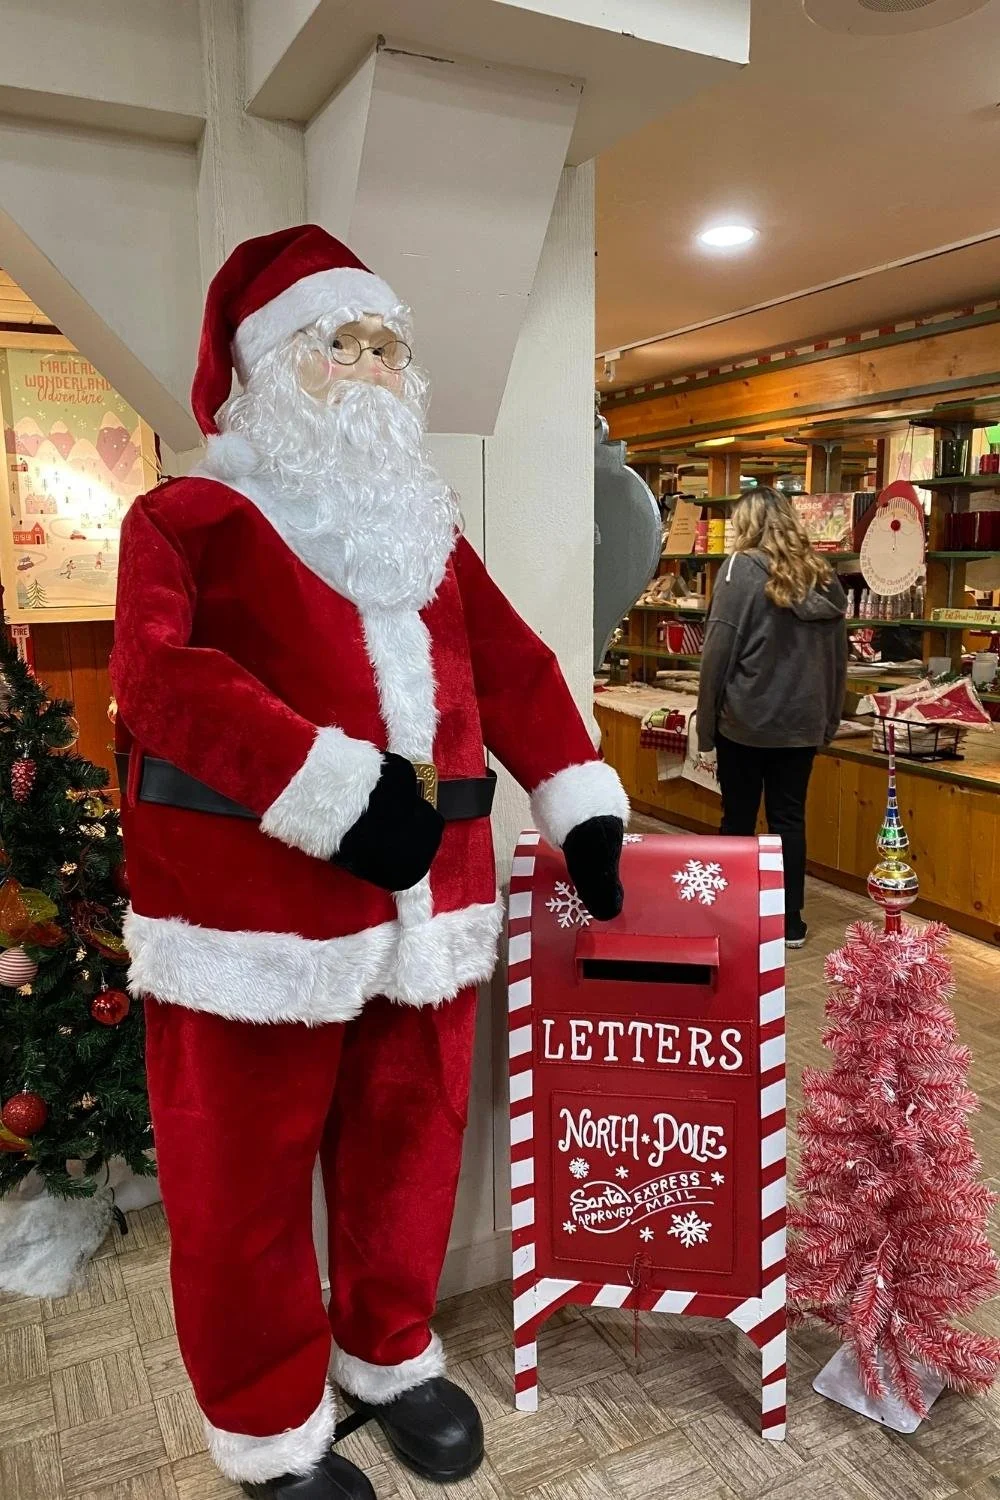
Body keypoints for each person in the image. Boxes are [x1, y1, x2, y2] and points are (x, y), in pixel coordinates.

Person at [111, 226, 629, 1500]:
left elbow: (515, 668)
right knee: (241, 1191)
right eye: (340, 343)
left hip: (427, 912)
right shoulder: (187, 520)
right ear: (265, 373)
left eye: (388, 347)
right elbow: (160, 684)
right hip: (252, 928)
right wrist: (333, 792)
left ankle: (388, 1352)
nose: (373, 367)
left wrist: (579, 802)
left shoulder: (426, 533)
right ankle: (268, 1427)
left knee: (409, 1151)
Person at [696, 486, 847, 948]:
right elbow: (839, 659)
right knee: (788, 821)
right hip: (802, 723)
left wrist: (705, 726)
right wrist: (830, 718)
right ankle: (790, 922)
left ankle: (732, 913)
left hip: (745, 720)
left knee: (738, 820)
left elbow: (718, 652)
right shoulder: (824, 576)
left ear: (748, 524)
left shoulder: (739, 570)